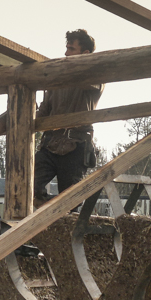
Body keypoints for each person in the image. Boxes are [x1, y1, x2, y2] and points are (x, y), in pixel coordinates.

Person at [34, 28, 103, 202]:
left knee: (69, 202)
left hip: (76, 145)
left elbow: (88, 80)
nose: (66, 53)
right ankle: (45, 214)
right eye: (67, 47)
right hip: (51, 144)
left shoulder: (96, 75)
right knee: (26, 184)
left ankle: (58, 216)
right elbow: (43, 112)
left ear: (85, 53)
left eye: (71, 49)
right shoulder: (56, 79)